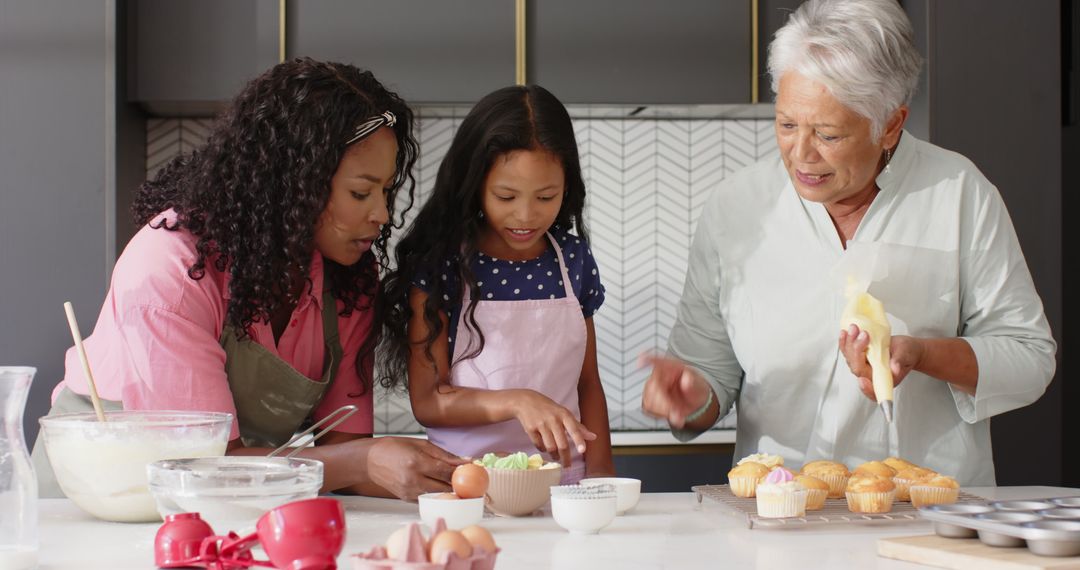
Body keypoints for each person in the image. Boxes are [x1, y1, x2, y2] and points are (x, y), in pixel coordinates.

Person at [640, 0, 1055, 485]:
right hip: (782, 516)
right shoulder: (736, 209)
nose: (800, 154)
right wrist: (691, 401)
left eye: (829, 134)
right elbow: (706, 375)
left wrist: (922, 354)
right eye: (787, 124)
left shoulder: (959, 194)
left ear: (891, 126)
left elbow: (1029, 359)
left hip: (929, 518)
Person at [33, 57, 466, 500]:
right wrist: (362, 461)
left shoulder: (349, 281)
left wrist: (450, 475)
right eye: (361, 192)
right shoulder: (171, 272)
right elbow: (203, 468)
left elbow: (345, 454)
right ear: (296, 182)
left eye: (386, 191)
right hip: (91, 499)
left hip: (232, 502)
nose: (382, 214)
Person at [378, 85, 614, 483]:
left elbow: (588, 384)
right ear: (475, 185)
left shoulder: (572, 260)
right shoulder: (443, 265)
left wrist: (603, 476)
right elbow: (429, 400)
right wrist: (520, 402)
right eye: (506, 196)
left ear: (566, 186)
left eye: (546, 196)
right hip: (467, 482)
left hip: (563, 483)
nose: (526, 215)